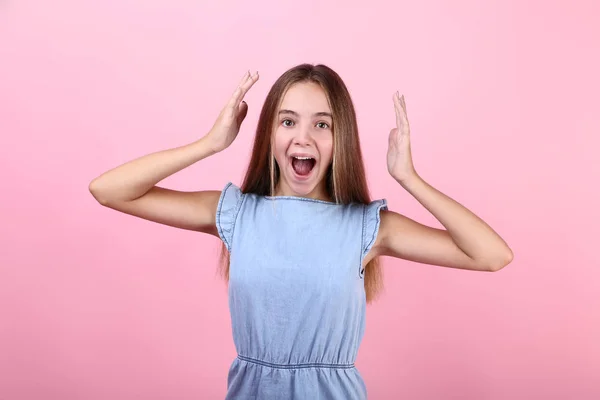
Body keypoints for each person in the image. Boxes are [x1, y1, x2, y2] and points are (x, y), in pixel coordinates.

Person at [89, 63, 513, 399]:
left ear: (339, 137)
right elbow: (109, 190)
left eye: (322, 124)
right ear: (269, 133)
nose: (302, 137)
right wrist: (210, 143)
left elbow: (491, 255)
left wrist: (409, 177)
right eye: (288, 121)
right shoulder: (236, 213)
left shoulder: (367, 226)